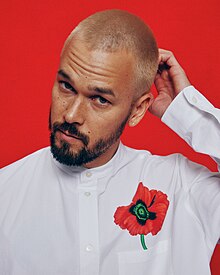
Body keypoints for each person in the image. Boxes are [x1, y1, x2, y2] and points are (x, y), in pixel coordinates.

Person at [0, 9, 219, 275]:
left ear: (137, 110)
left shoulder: (183, 188)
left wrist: (188, 113)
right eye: (66, 86)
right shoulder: (6, 193)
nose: (71, 115)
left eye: (99, 99)